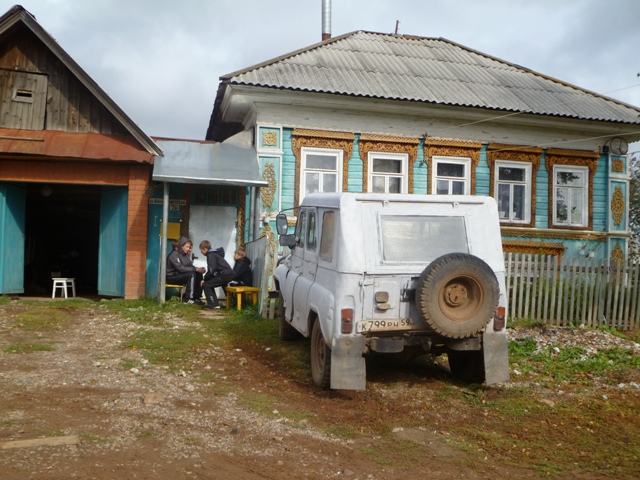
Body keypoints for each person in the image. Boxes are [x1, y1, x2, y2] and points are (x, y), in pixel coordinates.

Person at [166, 236, 205, 305]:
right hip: (171, 277)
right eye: (187, 247)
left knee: (198, 274)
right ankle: (188, 299)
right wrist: (195, 269)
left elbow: (190, 267)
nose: (188, 249)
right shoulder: (174, 255)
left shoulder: (185, 256)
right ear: (181, 246)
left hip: (180, 276)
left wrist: (198, 270)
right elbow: (180, 268)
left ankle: (196, 297)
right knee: (192, 274)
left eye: (189, 247)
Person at [199, 240, 233, 309]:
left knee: (207, 285)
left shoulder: (210, 255)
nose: (201, 252)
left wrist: (204, 279)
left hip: (224, 275)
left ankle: (213, 305)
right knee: (220, 283)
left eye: (201, 250)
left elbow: (211, 270)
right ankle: (232, 303)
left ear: (205, 249)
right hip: (228, 274)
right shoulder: (215, 254)